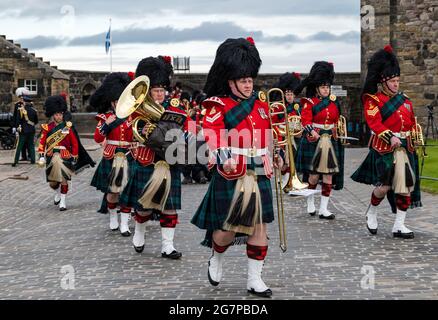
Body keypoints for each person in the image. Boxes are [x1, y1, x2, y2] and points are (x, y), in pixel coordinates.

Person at [191, 37, 284, 297]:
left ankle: (255, 279)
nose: (248, 83)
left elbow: (268, 135)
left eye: (250, 78)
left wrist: (276, 154)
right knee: (228, 230)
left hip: (259, 169)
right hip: (233, 170)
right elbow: (212, 132)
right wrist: (223, 153)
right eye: (242, 79)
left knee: (259, 226)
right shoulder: (216, 105)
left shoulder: (262, 105)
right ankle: (216, 255)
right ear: (230, 80)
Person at [351, 45, 422, 239]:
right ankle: (372, 211)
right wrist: (389, 136)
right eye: (393, 81)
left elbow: (412, 122)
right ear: (384, 81)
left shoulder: (406, 100)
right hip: (384, 148)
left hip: (405, 148)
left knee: (406, 186)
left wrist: (415, 135)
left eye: (398, 80)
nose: (396, 84)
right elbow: (374, 123)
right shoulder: (373, 100)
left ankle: (399, 225)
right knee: (385, 186)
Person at [119, 56, 187, 259]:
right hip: (147, 160)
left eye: (162, 89)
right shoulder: (138, 110)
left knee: (169, 207)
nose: (159, 93)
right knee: (144, 208)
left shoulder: (173, 107)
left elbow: (183, 129)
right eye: (156, 90)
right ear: (148, 91)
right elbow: (133, 132)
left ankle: (168, 245)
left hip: (168, 161)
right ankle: (139, 230)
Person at [294, 61, 345, 219]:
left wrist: (338, 130)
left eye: (327, 87)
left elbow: (337, 119)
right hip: (314, 140)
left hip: (330, 139)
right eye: (323, 87)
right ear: (317, 88)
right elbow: (305, 121)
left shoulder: (334, 102)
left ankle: (324, 208)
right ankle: (310, 202)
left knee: (328, 175)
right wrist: (312, 132)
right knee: (314, 176)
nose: (326, 89)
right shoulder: (309, 103)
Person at [90, 72, 134, 236]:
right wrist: (106, 126)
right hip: (112, 155)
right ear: (112, 102)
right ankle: (113, 217)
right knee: (112, 192)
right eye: (116, 101)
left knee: (127, 191)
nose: (118, 104)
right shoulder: (106, 117)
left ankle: (124, 223)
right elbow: (97, 138)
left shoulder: (132, 117)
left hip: (129, 154)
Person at [38, 96, 78, 211]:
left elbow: (74, 143)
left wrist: (75, 155)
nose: (58, 117)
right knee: (52, 182)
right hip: (51, 154)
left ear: (62, 114)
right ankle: (58, 193)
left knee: (64, 179)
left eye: (60, 114)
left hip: (65, 154)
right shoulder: (47, 128)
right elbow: (42, 143)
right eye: (56, 115)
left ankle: (63, 202)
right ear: (53, 115)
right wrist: (41, 156)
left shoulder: (67, 127)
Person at [12, 87, 38, 166]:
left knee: (19, 146)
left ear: (25, 102)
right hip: (31, 130)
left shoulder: (21, 110)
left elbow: (18, 120)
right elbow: (36, 121)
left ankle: (15, 161)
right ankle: (33, 160)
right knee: (31, 146)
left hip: (23, 130)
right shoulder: (34, 110)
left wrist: (17, 127)